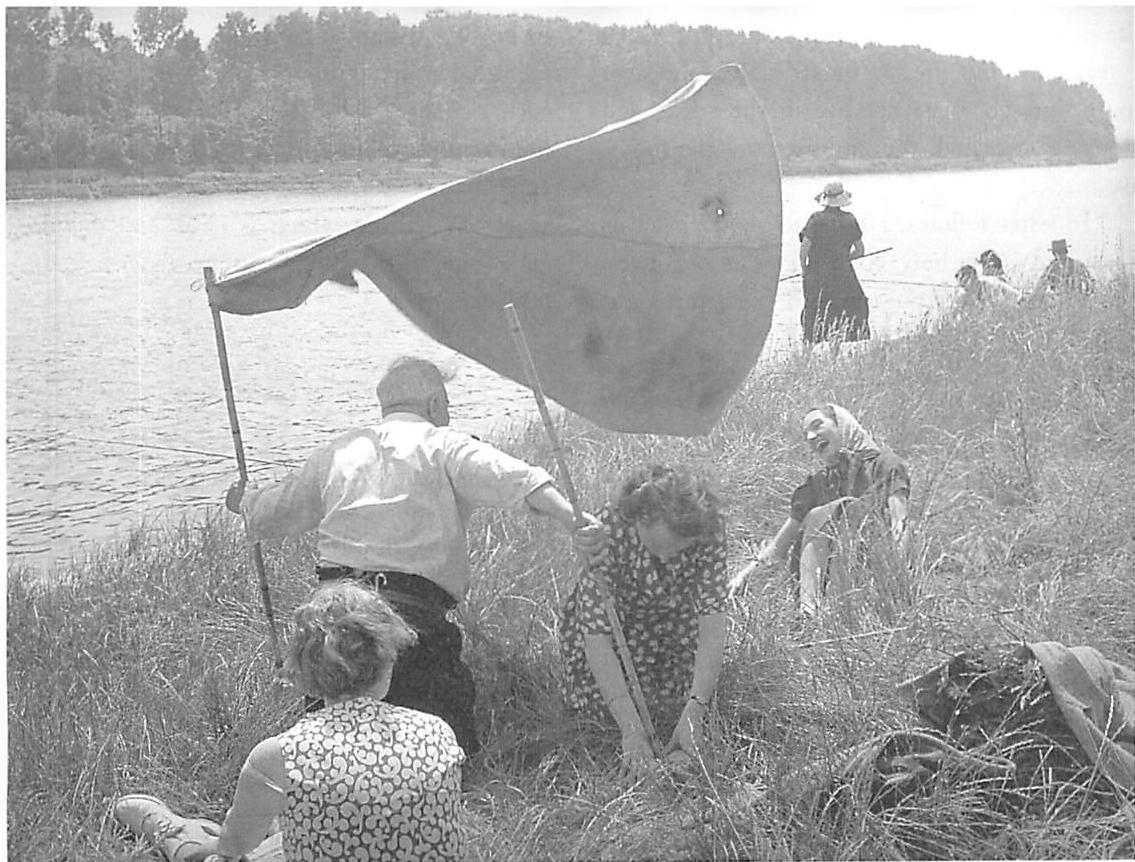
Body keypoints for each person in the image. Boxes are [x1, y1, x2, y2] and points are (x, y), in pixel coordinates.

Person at [226, 356, 601, 759]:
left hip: (332, 623)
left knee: (330, 749)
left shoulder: (336, 451)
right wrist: (574, 520)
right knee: (445, 747)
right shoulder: (446, 444)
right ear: (436, 404)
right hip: (411, 623)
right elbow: (519, 481)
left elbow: (272, 514)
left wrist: (244, 500)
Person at [114, 581, 464, 861]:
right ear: (388, 665)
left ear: (302, 673)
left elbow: (234, 846)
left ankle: (175, 834)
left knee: (221, 855)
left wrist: (229, 842)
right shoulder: (437, 732)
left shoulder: (279, 755)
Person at [560, 464, 729, 780]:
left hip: (675, 627)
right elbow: (596, 634)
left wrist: (696, 707)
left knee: (688, 699)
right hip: (619, 630)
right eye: (658, 549)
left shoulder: (709, 531)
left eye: (679, 550)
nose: (666, 560)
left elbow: (712, 623)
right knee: (598, 710)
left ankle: (681, 733)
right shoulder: (606, 530)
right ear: (640, 520)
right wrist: (630, 729)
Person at [728, 404, 910, 617]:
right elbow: (779, 547)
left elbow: (900, 524)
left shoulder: (885, 464)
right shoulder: (817, 484)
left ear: (842, 426)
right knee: (818, 514)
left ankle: (825, 612)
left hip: (874, 572)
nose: (811, 437)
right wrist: (743, 575)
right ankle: (809, 614)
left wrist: (900, 577)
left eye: (817, 425)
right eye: (806, 436)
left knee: (844, 508)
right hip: (828, 583)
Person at [798, 180, 870, 354]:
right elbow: (860, 250)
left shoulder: (816, 219)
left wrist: (804, 268)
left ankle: (805, 357)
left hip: (817, 274)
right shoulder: (850, 219)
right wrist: (845, 259)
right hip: (843, 274)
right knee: (839, 313)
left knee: (813, 313)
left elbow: (804, 248)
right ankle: (834, 355)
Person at [954, 263, 1023, 306]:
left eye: (966, 281)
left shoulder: (990, 285)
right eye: (962, 286)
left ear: (973, 276)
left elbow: (1000, 306)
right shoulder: (973, 291)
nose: (965, 288)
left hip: (1019, 302)